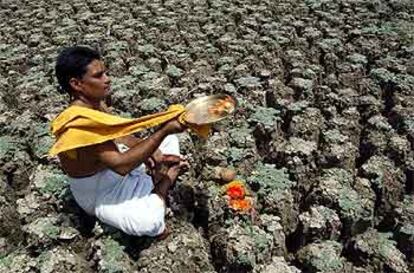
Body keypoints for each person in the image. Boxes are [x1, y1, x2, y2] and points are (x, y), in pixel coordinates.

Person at [53, 46, 188, 237]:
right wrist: (162, 131)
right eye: (98, 76)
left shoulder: (96, 105)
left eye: (105, 72)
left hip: (111, 170)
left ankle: (151, 178)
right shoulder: (80, 125)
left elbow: (120, 137)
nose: (107, 79)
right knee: (149, 224)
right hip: (101, 193)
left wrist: (149, 150)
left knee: (170, 140)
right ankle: (164, 183)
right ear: (76, 84)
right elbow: (121, 165)